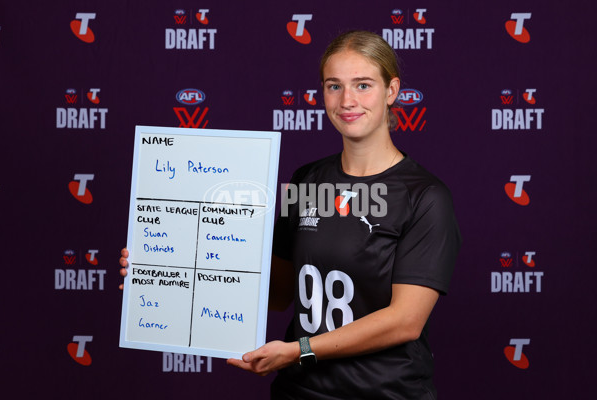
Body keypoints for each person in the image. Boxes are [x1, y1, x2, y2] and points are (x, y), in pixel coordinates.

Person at [120, 30, 461, 399]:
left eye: (363, 85)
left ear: (391, 91)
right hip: (300, 390)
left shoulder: (425, 196)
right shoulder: (307, 180)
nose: (347, 100)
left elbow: (405, 322)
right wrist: (165, 272)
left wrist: (299, 350)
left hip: (385, 392)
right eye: (334, 86)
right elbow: (278, 292)